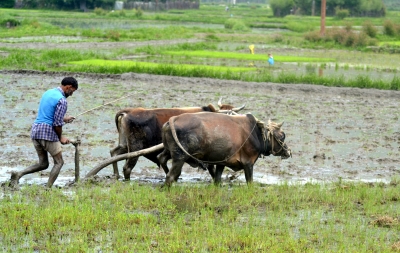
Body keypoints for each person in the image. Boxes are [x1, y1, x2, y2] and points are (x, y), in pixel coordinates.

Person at [10, 77, 78, 188]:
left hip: (36, 131)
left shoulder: (48, 93)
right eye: (72, 91)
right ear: (68, 87)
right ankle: (48, 188)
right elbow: (56, 124)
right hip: (47, 133)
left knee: (43, 164)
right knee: (59, 162)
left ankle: (18, 174)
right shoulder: (62, 100)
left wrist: (64, 119)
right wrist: (61, 137)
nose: (71, 94)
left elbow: (48, 114)